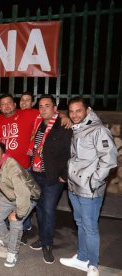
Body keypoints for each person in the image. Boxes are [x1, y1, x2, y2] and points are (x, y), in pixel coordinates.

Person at [60, 97, 117, 276]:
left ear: (87, 110)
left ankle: (93, 264)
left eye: (78, 110)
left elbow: (109, 160)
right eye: (72, 111)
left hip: (89, 189)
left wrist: (94, 182)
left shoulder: (99, 130)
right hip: (74, 187)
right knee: (80, 223)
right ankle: (82, 258)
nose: (75, 114)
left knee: (90, 226)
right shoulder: (78, 128)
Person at [26, 95, 72, 264]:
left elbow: (70, 153)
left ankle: (48, 244)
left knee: (49, 209)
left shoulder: (63, 126)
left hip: (52, 176)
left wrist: (64, 176)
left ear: (55, 109)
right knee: (39, 208)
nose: (44, 109)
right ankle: (42, 238)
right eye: (41, 106)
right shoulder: (38, 123)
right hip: (36, 173)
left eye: (47, 106)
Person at [0, 143, 40, 268]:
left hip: (29, 196)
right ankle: (6, 239)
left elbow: (23, 193)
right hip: (10, 195)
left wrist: (18, 214)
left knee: (15, 221)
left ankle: (12, 251)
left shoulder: (12, 167)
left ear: (3, 155)